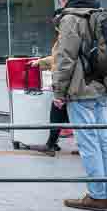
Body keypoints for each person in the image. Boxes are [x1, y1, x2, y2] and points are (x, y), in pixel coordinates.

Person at [52, 0, 107, 211]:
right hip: (103, 86)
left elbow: (65, 58)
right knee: (104, 142)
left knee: (88, 143)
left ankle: (96, 195)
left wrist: (59, 91)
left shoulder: (71, 19)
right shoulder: (99, 14)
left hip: (81, 90)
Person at [31, 28, 70, 156]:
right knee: (60, 116)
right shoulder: (66, 39)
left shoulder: (68, 39)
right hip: (67, 86)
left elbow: (62, 63)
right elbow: (56, 59)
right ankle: (51, 144)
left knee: (59, 115)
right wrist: (40, 62)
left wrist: (59, 92)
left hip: (67, 87)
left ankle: (51, 145)